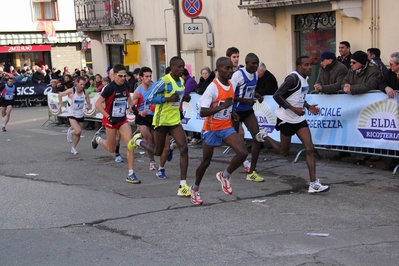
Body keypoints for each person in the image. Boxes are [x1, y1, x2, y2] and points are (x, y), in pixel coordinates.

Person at [128, 56, 191, 196]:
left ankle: (183, 185)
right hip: (161, 120)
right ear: (172, 67)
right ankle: (137, 141)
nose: (182, 69)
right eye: (179, 67)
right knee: (157, 151)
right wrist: (166, 99)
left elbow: (178, 97)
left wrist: (185, 98)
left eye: (183, 66)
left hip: (174, 120)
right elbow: (150, 98)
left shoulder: (181, 81)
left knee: (184, 148)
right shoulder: (164, 81)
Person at [189, 57, 248, 205]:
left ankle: (225, 175)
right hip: (211, 129)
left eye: (231, 68)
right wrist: (223, 107)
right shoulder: (212, 88)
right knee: (206, 162)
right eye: (226, 68)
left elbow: (228, 103)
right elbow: (203, 111)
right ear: (218, 70)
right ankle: (195, 188)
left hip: (225, 126)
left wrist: (231, 111)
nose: (230, 71)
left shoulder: (231, 85)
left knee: (243, 152)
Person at [269, 55, 330, 193]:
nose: (309, 67)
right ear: (299, 67)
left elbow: (299, 97)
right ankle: (264, 136)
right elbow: (277, 95)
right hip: (285, 118)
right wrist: (293, 109)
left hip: (299, 119)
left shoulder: (305, 79)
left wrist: (308, 107)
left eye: (310, 65)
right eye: (306, 65)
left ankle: (313, 184)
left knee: (310, 148)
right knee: (284, 152)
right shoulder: (292, 78)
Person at [91, 64, 140, 183]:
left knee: (130, 145)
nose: (123, 78)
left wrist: (132, 107)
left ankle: (131, 173)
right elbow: (97, 104)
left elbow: (128, 98)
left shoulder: (126, 85)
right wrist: (108, 116)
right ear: (114, 76)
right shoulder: (109, 88)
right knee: (111, 149)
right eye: (120, 76)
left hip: (122, 120)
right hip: (110, 120)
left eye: (124, 75)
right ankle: (98, 139)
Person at [231, 53, 265, 182]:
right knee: (230, 139)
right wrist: (245, 100)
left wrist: (257, 95)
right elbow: (230, 95)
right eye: (253, 64)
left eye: (257, 64)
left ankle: (252, 171)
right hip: (235, 111)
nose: (256, 66)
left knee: (257, 136)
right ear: (246, 63)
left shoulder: (255, 74)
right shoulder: (238, 75)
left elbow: (249, 90)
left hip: (248, 110)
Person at [131, 67, 171, 178]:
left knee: (162, 144)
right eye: (146, 77)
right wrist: (139, 112)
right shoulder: (138, 91)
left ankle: (161, 167)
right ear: (141, 78)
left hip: (156, 116)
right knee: (148, 139)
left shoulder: (156, 87)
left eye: (150, 76)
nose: (149, 79)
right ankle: (152, 160)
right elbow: (131, 107)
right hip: (143, 118)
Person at [58, 76, 92, 155]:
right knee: (78, 130)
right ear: (76, 83)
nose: (82, 86)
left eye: (84, 84)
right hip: (71, 113)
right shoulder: (71, 91)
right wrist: (62, 106)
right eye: (81, 84)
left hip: (80, 113)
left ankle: (73, 147)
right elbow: (60, 96)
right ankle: (70, 132)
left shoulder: (85, 92)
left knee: (78, 134)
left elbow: (87, 98)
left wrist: (88, 105)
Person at [378, 51, 399, 171]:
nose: (389, 67)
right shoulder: (390, 73)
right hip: (394, 110)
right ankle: (394, 160)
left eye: (392, 64)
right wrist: (386, 88)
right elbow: (381, 83)